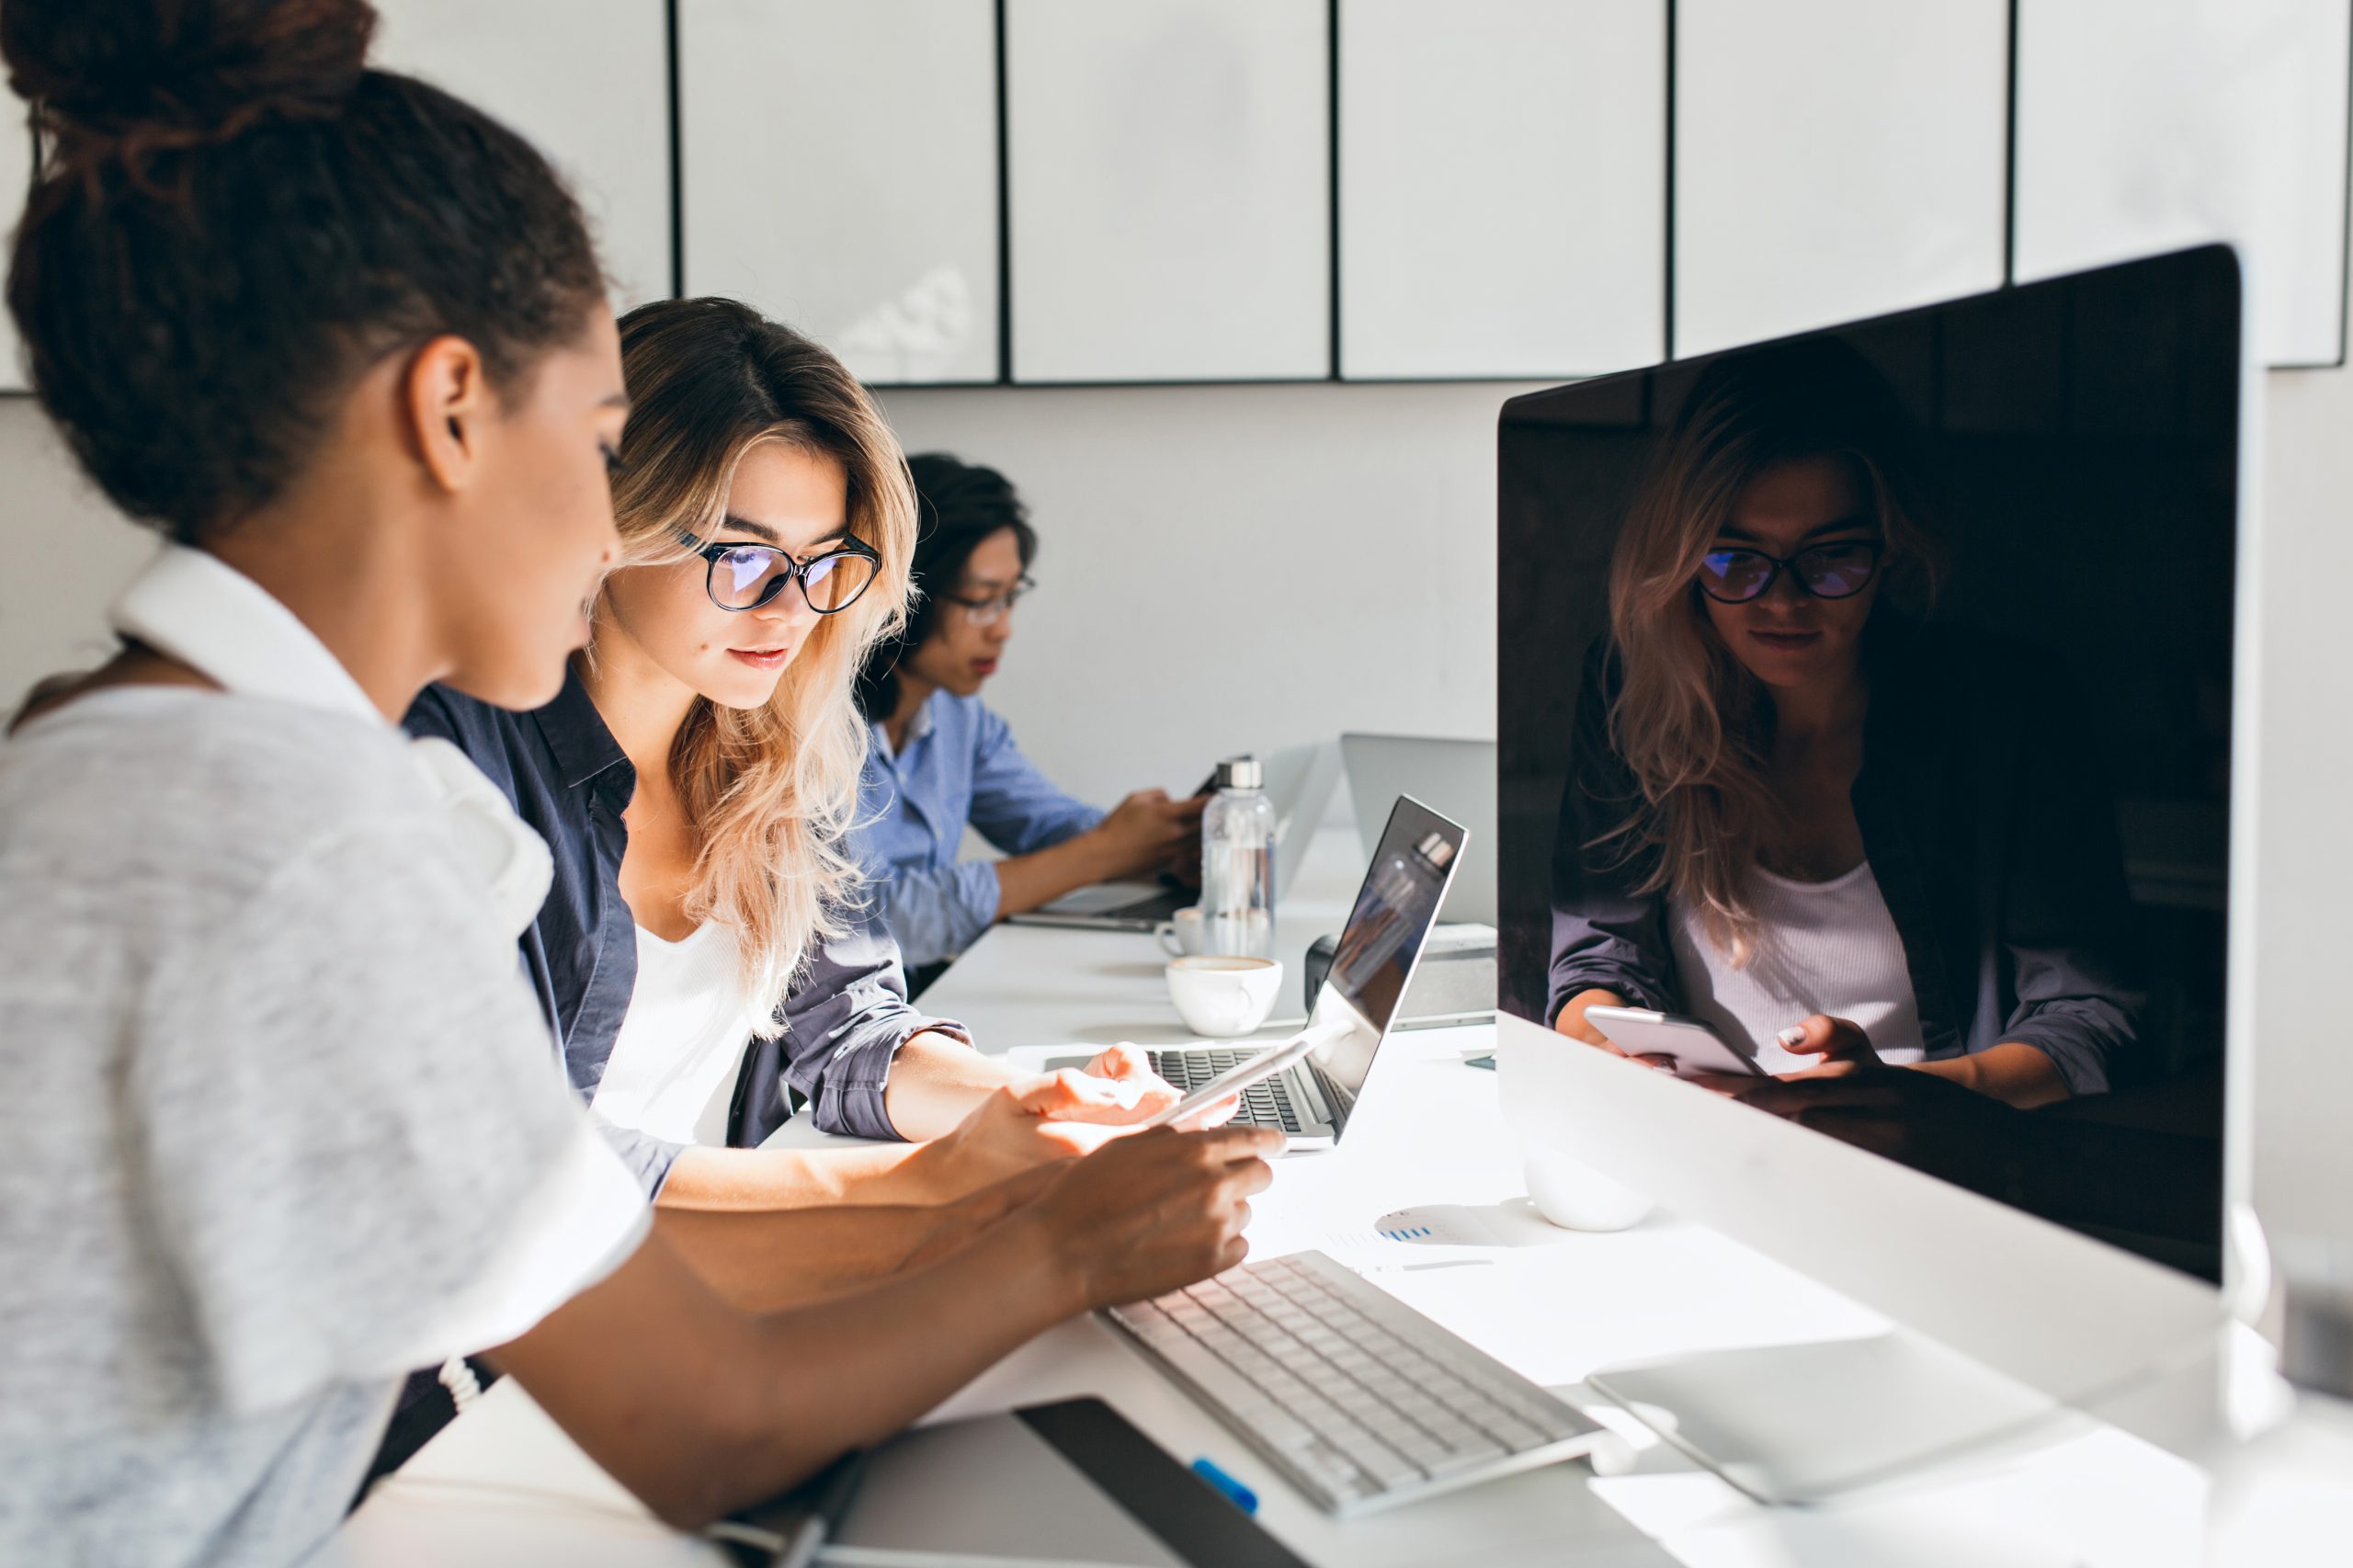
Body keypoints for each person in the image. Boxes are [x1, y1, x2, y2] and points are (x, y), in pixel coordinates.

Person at [0, 3, 1277, 1561]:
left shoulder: (138, 755)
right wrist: (1058, 1243)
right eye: (601, 438)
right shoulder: (302, 838)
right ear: (451, 407)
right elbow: (705, 1421)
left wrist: (985, 1201)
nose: (618, 530)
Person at [381, 297, 1194, 1474]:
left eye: (824, 565)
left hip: (703, 1316)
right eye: (744, 555)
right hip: (491, 1376)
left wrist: (1022, 1101)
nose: (788, 609)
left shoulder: (774, 754)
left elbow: (851, 1031)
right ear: (614, 523)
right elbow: (535, 1174)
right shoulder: (460, 760)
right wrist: (931, 1189)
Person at [1548, 339, 2144, 1110]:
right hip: (1700, 1153)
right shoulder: (1633, 693)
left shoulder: (2006, 709)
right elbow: (1595, 960)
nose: (1785, 602)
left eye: (1830, 559)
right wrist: (1618, 1055)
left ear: (1890, 545)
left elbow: (2091, 1020)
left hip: (1933, 1168)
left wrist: (1899, 1097)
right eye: (1737, 562)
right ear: (1685, 559)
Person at [852, 453, 1203, 970]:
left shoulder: (958, 716)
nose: (1003, 629)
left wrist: (1165, 846)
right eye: (982, 600)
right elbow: (873, 925)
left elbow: (1046, 824)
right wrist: (1105, 853)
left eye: (1011, 598)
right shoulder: (814, 727)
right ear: (905, 594)